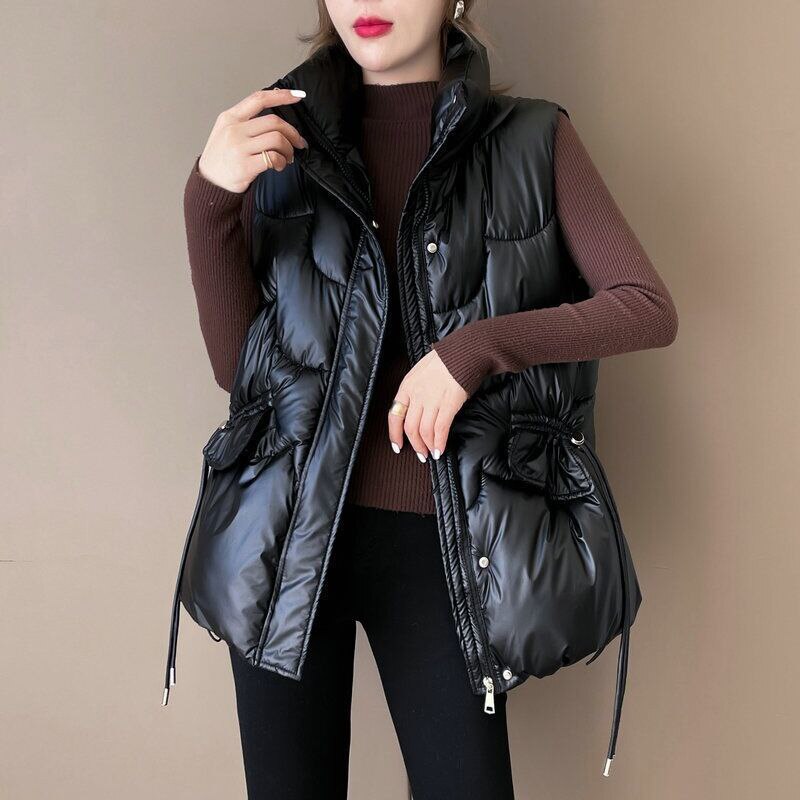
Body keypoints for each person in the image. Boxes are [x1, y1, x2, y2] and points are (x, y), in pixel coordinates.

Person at [175, 1, 678, 797]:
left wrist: (472, 351)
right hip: (283, 537)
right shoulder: (277, 141)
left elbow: (645, 307)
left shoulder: (532, 138)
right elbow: (243, 373)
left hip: (444, 540)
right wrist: (208, 198)